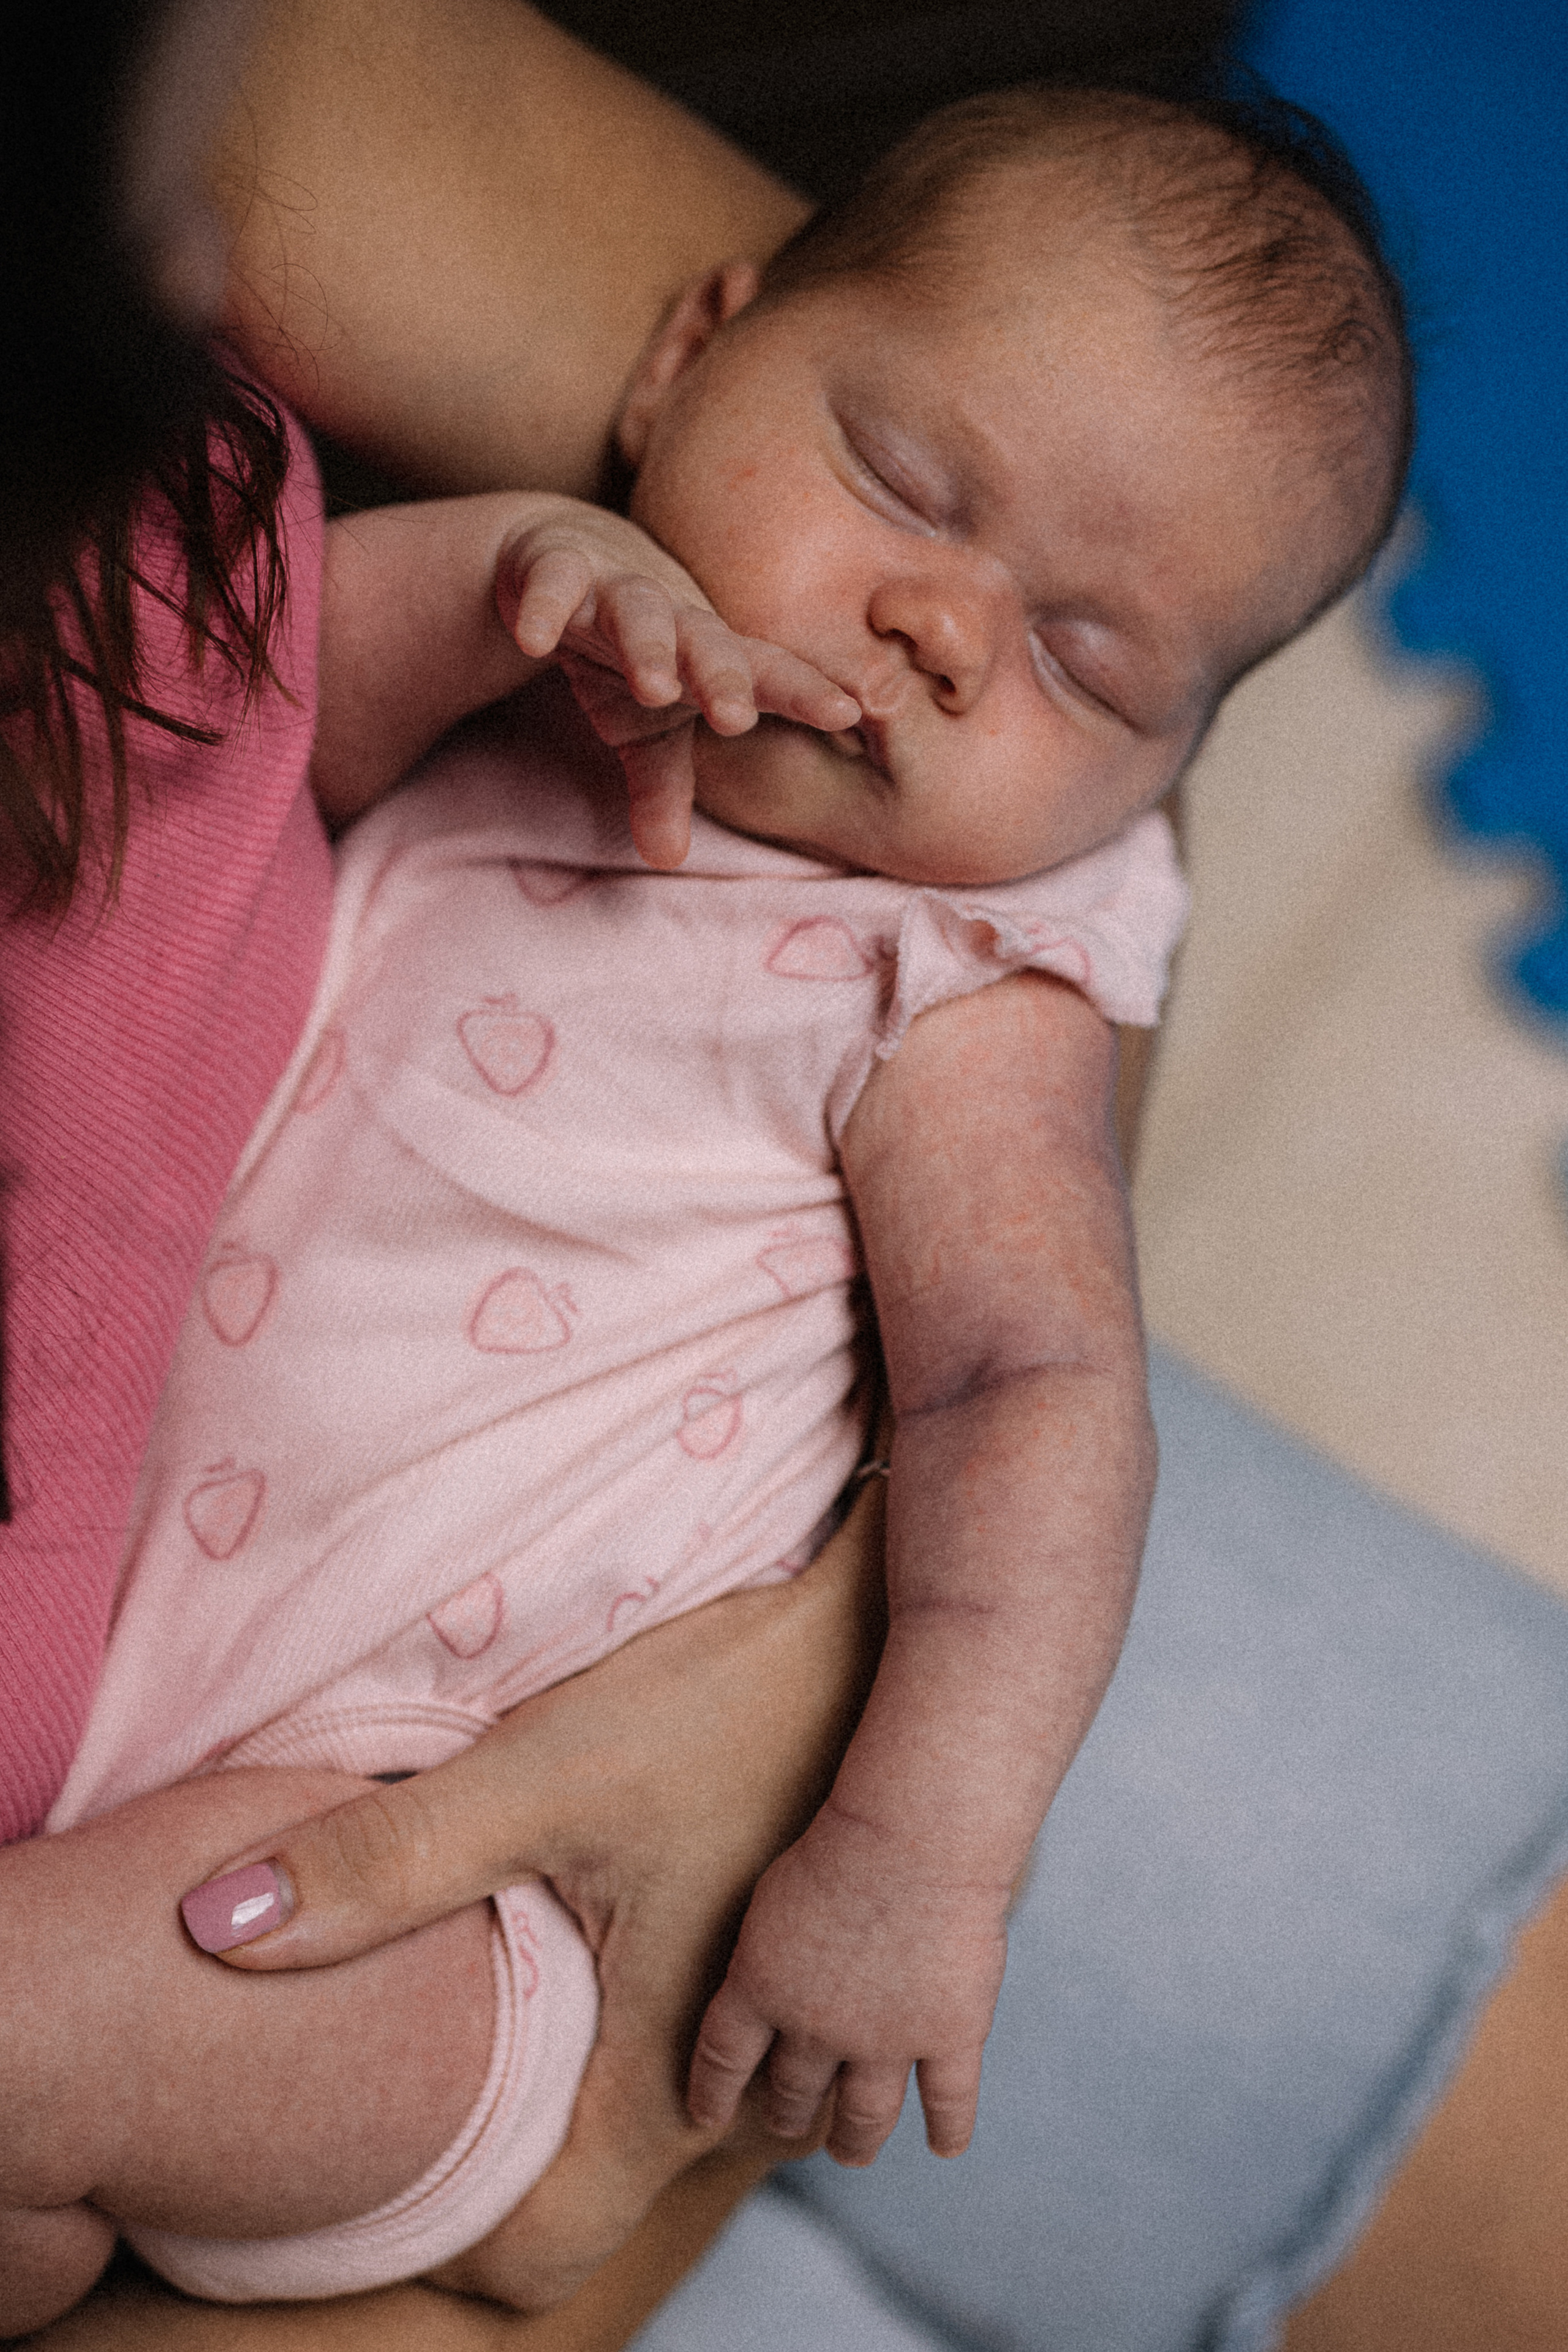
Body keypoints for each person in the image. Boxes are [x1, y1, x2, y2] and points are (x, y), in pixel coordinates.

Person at [6, 7, 1568, 2350]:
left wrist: (907, 1844)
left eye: (1083, 660)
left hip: (465, 1943)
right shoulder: (573, 651)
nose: (943, 632)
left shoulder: (959, 974)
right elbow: (266, 730)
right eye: (911, 495)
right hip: (208, 1815)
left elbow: (1037, 1384)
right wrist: (504, 580)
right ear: (687, 362)